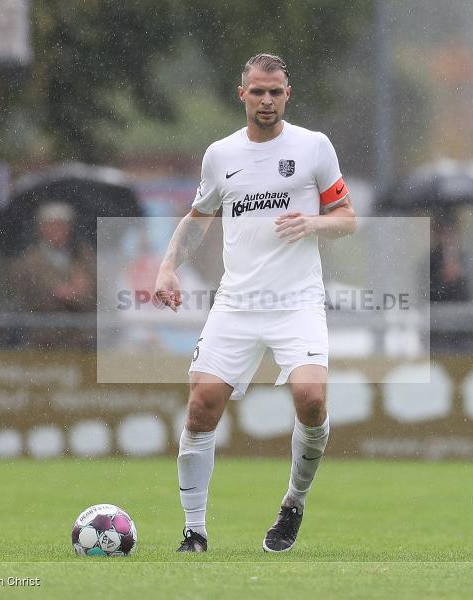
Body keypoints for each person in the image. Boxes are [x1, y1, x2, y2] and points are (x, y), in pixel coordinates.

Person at [154, 53, 357, 553]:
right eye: (258, 91)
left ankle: (293, 502)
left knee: (311, 400)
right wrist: (167, 266)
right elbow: (199, 216)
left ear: (288, 95)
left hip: (297, 302)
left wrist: (314, 223)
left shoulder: (313, 147)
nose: (267, 100)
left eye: (276, 92)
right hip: (237, 303)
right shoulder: (220, 154)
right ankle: (194, 531)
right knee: (201, 407)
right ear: (241, 94)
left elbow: (348, 217)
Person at [9, 202, 96, 347]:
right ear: (41, 228)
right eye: (54, 225)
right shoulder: (28, 261)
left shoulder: (83, 255)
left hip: (81, 342)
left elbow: (94, 294)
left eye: (63, 225)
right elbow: (40, 298)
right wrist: (73, 292)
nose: (60, 230)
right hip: (45, 342)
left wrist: (73, 293)